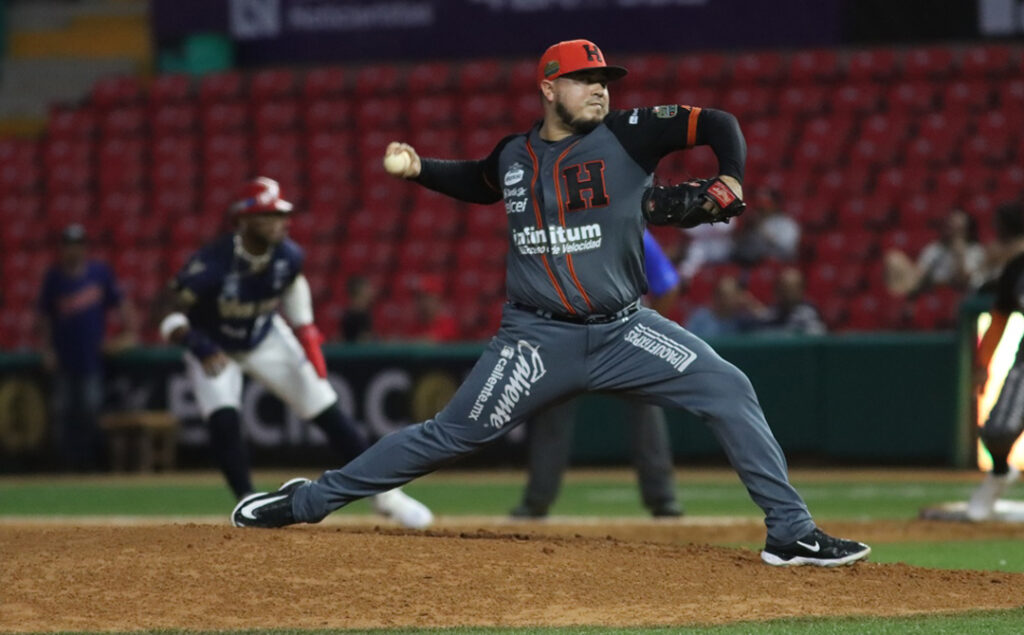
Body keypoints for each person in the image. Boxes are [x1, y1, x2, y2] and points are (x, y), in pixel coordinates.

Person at [232, 40, 870, 567]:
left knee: (728, 387)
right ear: (547, 88)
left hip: (626, 330)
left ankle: (789, 532)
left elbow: (716, 124)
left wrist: (731, 174)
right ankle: (306, 502)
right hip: (535, 340)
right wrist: (419, 167)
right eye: (584, 80)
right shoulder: (515, 154)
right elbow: (478, 181)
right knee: (447, 436)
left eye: (605, 80)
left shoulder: (629, 135)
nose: (600, 89)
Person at [160, 176, 432, 528]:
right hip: (214, 345)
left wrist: (306, 330)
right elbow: (167, 309)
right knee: (223, 418)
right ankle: (249, 502)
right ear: (243, 220)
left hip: (263, 334)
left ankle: (387, 498)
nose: (281, 221)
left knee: (327, 408)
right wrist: (198, 344)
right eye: (269, 214)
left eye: (282, 214)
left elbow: (293, 284)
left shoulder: (289, 255)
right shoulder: (213, 262)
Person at [511, 230, 683, 519]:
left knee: (646, 414)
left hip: (623, 333)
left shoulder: (631, 227)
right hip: (570, 333)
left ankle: (663, 498)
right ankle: (536, 501)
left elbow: (667, 286)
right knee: (552, 414)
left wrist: (648, 328)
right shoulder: (559, 231)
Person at [37, 223, 139, 471]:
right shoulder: (54, 277)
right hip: (64, 358)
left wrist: (128, 334)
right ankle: (64, 466)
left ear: (84, 248)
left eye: (78, 244)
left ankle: (90, 466)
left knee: (90, 411)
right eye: (69, 244)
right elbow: (44, 317)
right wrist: (47, 350)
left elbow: (123, 305)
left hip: (91, 358)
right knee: (63, 414)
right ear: (63, 248)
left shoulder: (99, 273)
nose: (73, 250)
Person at [966, 201, 1024, 521]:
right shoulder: (1016, 268)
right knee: (997, 431)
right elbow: (999, 318)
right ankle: (1000, 473)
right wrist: (982, 364)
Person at [884, 208, 987, 298]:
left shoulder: (975, 251)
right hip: (932, 293)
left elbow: (964, 282)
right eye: (951, 227)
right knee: (894, 259)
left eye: (959, 229)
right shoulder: (934, 249)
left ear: (967, 230)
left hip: (960, 296)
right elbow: (920, 276)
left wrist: (959, 256)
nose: (953, 233)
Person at [732, 188, 801, 266]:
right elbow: (739, 245)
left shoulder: (787, 224)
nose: (762, 208)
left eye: (767, 204)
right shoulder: (754, 220)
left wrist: (762, 229)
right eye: (761, 205)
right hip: (751, 264)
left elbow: (787, 248)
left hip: (778, 264)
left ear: (776, 205)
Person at [750, 267, 826, 336]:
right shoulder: (769, 314)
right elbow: (760, 335)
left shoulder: (809, 314)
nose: (788, 293)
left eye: (793, 288)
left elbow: (816, 338)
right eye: (784, 288)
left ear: (802, 290)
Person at [684, 275, 759, 338]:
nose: (724, 300)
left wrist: (752, 304)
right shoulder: (700, 318)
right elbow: (687, 341)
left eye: (730, 296)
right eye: (721, 295)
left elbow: (765, 328)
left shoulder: (743, 319)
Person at [408, 273, 460, 342]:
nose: (422, 302)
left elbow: (429, 341)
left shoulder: (448, 324)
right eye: (418, 298)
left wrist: (405, 342)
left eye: (426, 297)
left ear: (438, 300)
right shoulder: (413, 326)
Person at [339, 275, 376, 342]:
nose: (371, 291)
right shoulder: (355, 315)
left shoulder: (365, 312)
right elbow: (363, 340)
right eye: (367, 288)